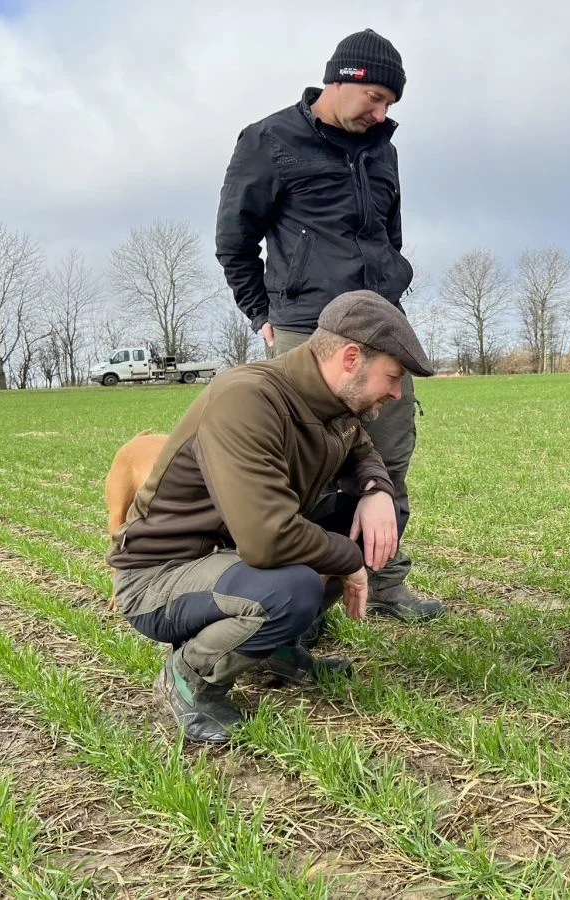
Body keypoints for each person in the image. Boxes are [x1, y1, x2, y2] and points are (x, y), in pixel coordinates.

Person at [108, 290, 435, 744]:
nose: (397, 393)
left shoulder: (334, 404)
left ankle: (281, 649)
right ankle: (189, 678)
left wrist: (378, 490)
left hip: (233, 559)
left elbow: (363, 452)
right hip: (162, 576)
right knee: (291, 588)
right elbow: (267, 539)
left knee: (376, 517)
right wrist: (348, 560)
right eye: (392, 377)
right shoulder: (247, 399)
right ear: (350, 357)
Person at [215, 28, 441, 623]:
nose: (382, 112)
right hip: (307, 329)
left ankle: (385, 582)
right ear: (343, 81)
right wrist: (262, 314)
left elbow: (387, 234)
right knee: (302, 465)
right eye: (376, 99)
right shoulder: (269, 139)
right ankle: (298, 592)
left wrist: (392, 283)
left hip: (378, 325)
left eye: (392, 104)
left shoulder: (382, 149)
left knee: (387, 458)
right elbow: (233, 243)